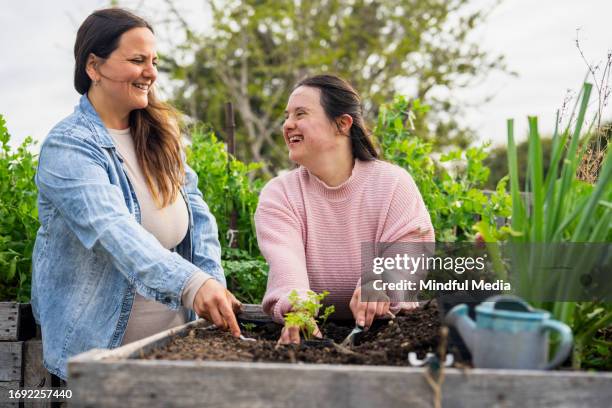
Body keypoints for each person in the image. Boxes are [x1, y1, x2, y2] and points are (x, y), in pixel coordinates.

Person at [31, 8, 241, 380]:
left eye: (153, 61)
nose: (151, 72)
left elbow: (198, 218)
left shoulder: (161, 136)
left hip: (175, 345)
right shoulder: (69, 147)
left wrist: (212, 283)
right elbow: (113, 229)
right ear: (94, 67)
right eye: (137, 60)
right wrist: (192, 284)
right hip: (103, 357)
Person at [255, 75, 434, 344]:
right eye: (287, 115)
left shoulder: (393, 184)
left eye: (300, 113)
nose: (288, 124)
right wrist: (299, 311)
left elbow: (409, 251)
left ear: (342, 124)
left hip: (386, 332)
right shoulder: (280, 194)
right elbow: (286, 264)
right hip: (313, 331)